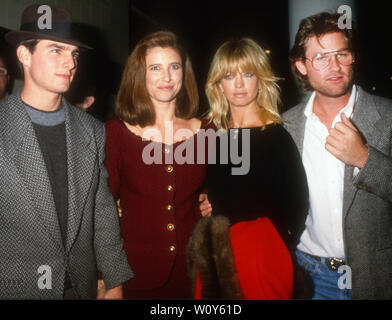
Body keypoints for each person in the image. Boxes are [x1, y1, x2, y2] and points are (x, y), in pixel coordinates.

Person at [0, 4, 133, 299]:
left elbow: (102, 212)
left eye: (73, 54)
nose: (71, 63)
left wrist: (115, 280)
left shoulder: (92, 131)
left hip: (79, 288)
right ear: (24, 55)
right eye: (56, 50)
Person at [188, 38, 309, 299]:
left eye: (248, 73)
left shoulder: (277, 136)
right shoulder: (213, 136)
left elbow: (298, 204)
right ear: (219, 84)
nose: (239, 84)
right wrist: (208, 200)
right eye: (230, 76)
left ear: (260, 79)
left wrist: (275, 247)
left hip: (263, 261)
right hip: (217, 256)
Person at [283, 12, 392, 299]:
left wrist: (364, 159)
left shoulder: (388, 116)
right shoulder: (286, 127)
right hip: (310, 274)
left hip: (377, 275)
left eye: (342, 54)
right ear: (301, 66)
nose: (334, 66)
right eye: (320, 57)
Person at [105, 31, 211, 298]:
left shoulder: (207, 131)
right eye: (155, 68)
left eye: (174, 67)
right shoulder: (116, 132)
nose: (166, 77)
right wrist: (106, 279)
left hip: (194, 272)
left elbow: (227, 189)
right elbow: (100, 213)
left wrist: (216, 200)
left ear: (184, 74)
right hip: (134, 275)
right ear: (139, 75)